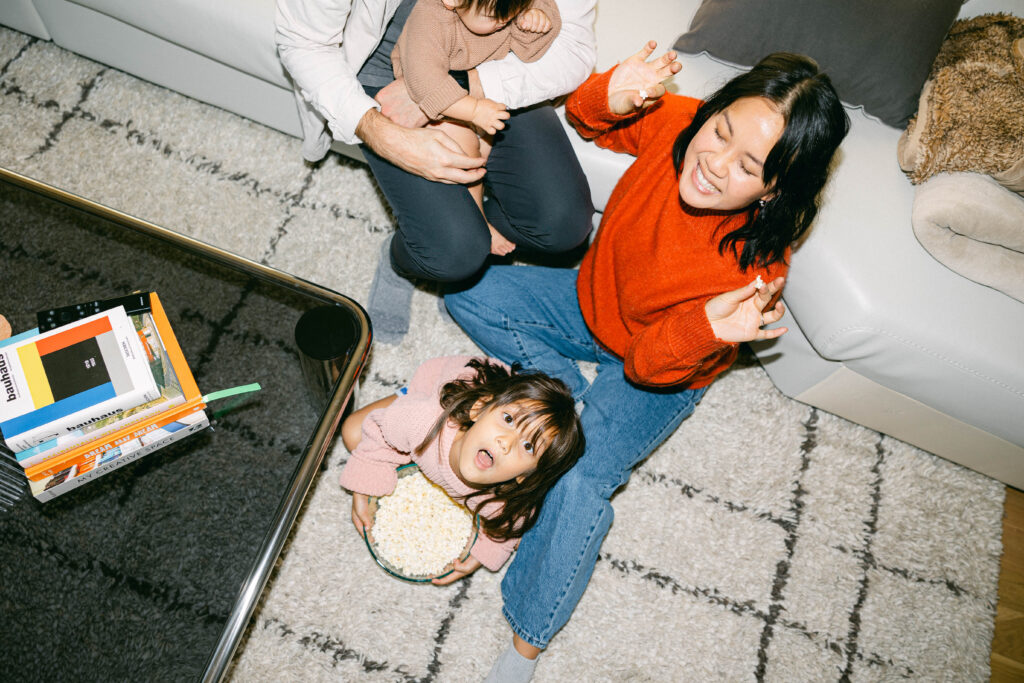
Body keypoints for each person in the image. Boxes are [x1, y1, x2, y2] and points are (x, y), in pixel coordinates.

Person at [444, 44, 850, 681]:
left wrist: (705, 328)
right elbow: (586, 119)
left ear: (774, 191)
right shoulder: (682, 124)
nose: (713, 162)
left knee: (579, 478)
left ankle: (525, 647)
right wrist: (611, 92)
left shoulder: (754, 273)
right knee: (468, 285)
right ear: (711, 112)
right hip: (591, 300)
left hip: (663, 367)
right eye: (719, 131)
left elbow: (647, 369)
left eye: (749, 166)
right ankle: (563, 393)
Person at [275, 0, 596, 344]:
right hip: (391, 73)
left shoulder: (495, 21)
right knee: (455, 250)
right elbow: (302, 42)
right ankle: (409, 256)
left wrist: (524, 30)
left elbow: (573, 48)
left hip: (486, 66)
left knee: (564, 223)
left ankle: (446, 230)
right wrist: (380, 129)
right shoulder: (431, 19)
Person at [340, 355, 585, 580]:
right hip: (444, 386)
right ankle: (409, 397)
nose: (505, 442)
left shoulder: (502, 501)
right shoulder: (420, 422)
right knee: (353, 432)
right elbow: (379, 431)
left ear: (525, 476)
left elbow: (509, 528)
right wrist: (365, 480)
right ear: (479, 409)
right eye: (508, 420)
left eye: (529, 446)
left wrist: (481, 555)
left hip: (489, 404)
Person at [392, 0, 562, 256]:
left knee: (484, 147)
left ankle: (475, 198)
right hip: (431, 92)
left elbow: (529, 52)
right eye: (495, 16)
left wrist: (535, 21)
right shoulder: (429, 19)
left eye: (514, 11)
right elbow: (424, 83)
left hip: (472, 77)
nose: (505, 21)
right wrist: (473, 111)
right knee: (467, 156)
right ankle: (477, 219)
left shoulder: (505, 8)